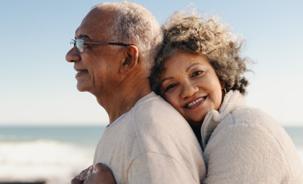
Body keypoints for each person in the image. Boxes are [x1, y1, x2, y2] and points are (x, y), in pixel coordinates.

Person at [149, 12, 303, 183]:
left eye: (197, 73)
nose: (189, 91)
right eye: (171, 85)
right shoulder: (208, 135)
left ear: (221, 75)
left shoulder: (242, 131)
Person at [65, 2, 205, 184]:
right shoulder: (133, 125)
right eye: (75, 43)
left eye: (84, 43)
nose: (70, 55)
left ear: (127, 59)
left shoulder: (146, 133)